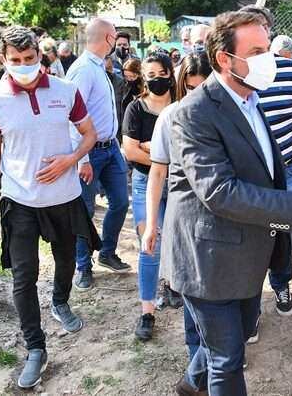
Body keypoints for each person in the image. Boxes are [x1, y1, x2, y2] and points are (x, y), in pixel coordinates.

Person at [159, 11, 292, 396]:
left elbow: (262, 173)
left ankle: (191, 385)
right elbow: (219, 192)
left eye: (268, 48)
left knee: (229, 339)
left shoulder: (250, 100)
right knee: (228, 359)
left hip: (247, 251)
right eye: (257, 51)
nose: (267, 58)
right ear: (225, 59)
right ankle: (199, 383)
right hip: (208, 259)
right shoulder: (194, 113)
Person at [0, 25, 98, 389]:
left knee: (65, 260)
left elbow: (89, 133)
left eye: (30, 59)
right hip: (20, 200)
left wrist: (72, 158)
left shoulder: (66, 91)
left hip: (63, 198)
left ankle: (61, 301)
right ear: (4, 60)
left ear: (40, 57)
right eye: (16, 61)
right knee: (23, 275)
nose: (24, 66)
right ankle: (35, 348)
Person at [239, 5, 292, 332]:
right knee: (246, 234)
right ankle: (248, 301)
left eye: (262, 29)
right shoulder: (230, 78)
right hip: (245, 174)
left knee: (283, 230)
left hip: (287, 168)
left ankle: (281, 282)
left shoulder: (290, 71)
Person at [141, 51, 212, 358]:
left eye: (204, 87)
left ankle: (218, 350)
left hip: (221, 216)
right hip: (184, 216)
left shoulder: (230, 115)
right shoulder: (170, 117)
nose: (198, 95)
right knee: (191, 287)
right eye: (191, 88)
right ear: (183, 85)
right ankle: (197, 353)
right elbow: (157, 171)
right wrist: (152, 225)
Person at [67, 18, 132, 290]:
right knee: (85, 210)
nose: (117, 43)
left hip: (110, 148)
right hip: (89, 153)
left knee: (119, 202)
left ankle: (107, 252)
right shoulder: (83, 70)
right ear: (107, 38)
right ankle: (83, 266)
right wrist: (81, 158)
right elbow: (71, 117)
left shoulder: (98, 67)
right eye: (115, 37)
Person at [121, 52, 177, 341]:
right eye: (150, 76)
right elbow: (129, 150)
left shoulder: (181, 105)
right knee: (149, 244)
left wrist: (150, 149)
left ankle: (171, 285)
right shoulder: (136, 109)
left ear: (170, 73)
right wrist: (162, 154)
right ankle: (147, 311)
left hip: (178, 184)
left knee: (174, 239)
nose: (157, 80)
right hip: (145, 183)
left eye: (161, 74)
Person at [103, 55, 129, 144]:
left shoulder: (120, 82)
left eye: (109, 69)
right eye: (105, 70)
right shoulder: (95, 83)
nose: (108, 73)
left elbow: (123, 104)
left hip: (117, 125)